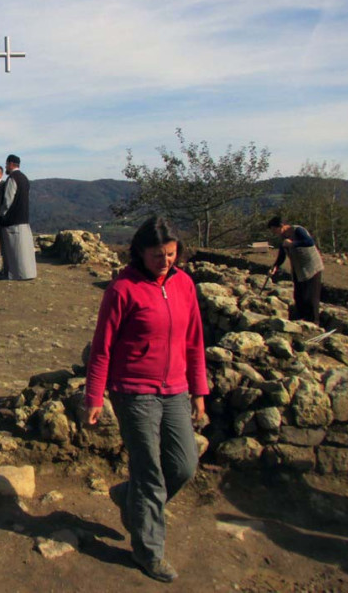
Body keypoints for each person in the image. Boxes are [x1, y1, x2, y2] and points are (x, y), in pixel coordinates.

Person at [84, 216, 208, 583]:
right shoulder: (122, 289)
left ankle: (128, 498)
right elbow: (102, 348)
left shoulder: (184, 284)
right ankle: (148, 551)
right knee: (149, 472)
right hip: (133, 391)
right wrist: (94, 396)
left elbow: (195, 341)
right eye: (157, 255)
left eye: (171, 254)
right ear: (140, 252)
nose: (165, 261)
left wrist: (199, 391)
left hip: (175, 390)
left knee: (184, 465)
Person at [267, 216, 324, 325]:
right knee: (299, 295)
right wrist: (275, 267)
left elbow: (309, 242)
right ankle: (301, 318)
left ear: (281, 226)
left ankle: (314, 322)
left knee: (311, 297)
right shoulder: (283, 237)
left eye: (275, 230)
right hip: (299, 269)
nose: (274, 233)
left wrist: (293, 244)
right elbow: (282, 255)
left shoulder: (298, 230)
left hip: (312, 267)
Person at [0, 154, 37, 280]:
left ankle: (15, 273)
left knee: (14, 250)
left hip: (12, 220)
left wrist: (2, 214)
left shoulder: (12, 178)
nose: (6, 167)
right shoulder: (24, 179)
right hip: (24, 218)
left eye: (6, 164)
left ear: (10, 164)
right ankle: (27, 272)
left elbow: (8, 199)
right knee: (24, 250)